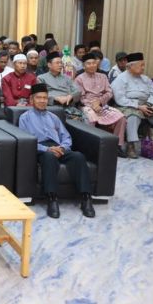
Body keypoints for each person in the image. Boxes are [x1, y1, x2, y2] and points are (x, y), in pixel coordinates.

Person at [18, 83, 95, 219]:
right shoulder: (25, 118)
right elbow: (26, 141)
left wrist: (63, 147)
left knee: (78, 156)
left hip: (58, 147)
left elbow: (66, 137)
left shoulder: (53, 117)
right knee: (49, 157)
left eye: (45, 98)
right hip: (41, 149)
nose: (42, 101)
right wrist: (47, 149)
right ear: (31, 99)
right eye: (39, 98)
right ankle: (52, 198)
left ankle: (86, 197)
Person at [111, 52, 153, 159]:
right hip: (128, 106)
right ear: (131, 66)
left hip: (147, 105)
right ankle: (131, 145)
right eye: (141, 65)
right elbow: (120, 99)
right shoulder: (120, 79)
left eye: (143, 65)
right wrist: (138, 106)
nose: (143, 68)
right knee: (133, 117)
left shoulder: (146, 79)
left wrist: (151, 105)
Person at [74, 53, 126, 152]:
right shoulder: (79, 79)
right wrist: (93, 105)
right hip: (86, 105)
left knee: (121, 118)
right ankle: (91, 146)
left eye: (94, 63)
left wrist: (100, 102)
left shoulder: (103, 76)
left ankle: (116, 146)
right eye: (88, 63)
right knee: (91, 118)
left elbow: (109, 92)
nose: (92, 65)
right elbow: (80, 97)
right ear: (84, 66)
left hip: (102, 104)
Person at [38, 52, 82, 117]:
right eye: (57, 63)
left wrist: (70, 96)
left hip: (68, 106)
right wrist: (56, 98)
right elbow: (40, 94)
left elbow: (78, 91)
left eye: (61, 63)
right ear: (49, 65)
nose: (60, 65)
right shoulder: (41, 78)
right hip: (51, 107)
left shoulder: (67, 78)